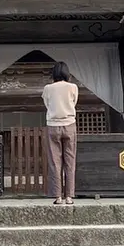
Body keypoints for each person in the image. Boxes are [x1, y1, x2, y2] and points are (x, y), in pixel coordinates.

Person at [42, 61, 79, 205]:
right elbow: (74, 102)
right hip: (69, 124)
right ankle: (69, 196)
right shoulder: (73, 87)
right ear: (67, 73)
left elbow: (47, 104)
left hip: (53, 125)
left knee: (55, 162)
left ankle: (57, 196)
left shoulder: (48, 88)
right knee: (70, 161)